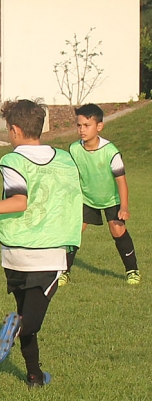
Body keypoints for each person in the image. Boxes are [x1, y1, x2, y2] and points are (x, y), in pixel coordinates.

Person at [0, 99, 82, 389]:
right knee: (29, 321)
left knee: (24, 317)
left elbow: (18, 201)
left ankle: (35, 377)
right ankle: (16, 334)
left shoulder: (13, 160)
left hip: (15, 253)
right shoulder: (65, 160)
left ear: (14, 130)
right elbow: (23, 201)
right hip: (49, 252)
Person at [61, 103, 140, 285]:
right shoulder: (74, 149)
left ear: (99, 126)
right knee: (74, 232)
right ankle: (64, 271)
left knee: (117, 229)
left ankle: (132, 271)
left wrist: (124, 207)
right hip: (87, 198)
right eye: (79, 125)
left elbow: (121, 182)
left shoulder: (111, 152)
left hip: (111, 199)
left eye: (86, 125)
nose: (82, 130)